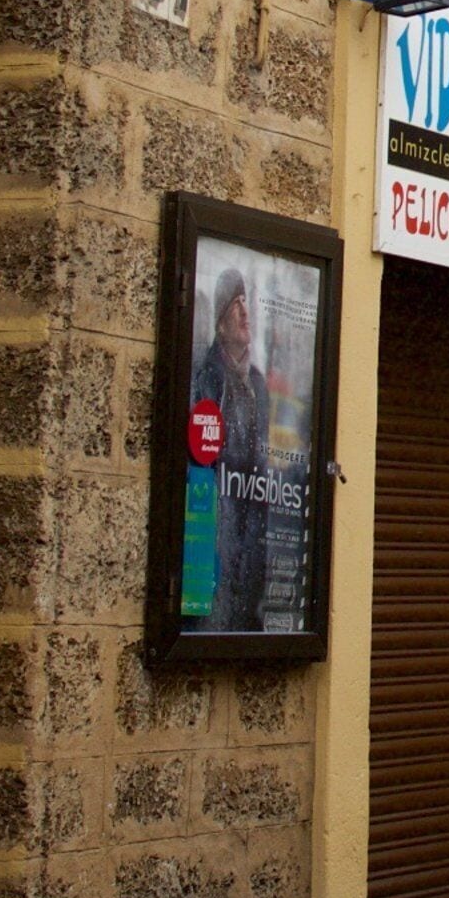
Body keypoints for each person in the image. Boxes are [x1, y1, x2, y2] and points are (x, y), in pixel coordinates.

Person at [194, 265, 273, 630]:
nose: (244, 312)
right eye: (234, 304)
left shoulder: (258, 384)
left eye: (245, 301)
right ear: (220, 322)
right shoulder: (207, 378)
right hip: (216, 556)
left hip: (252, 558)